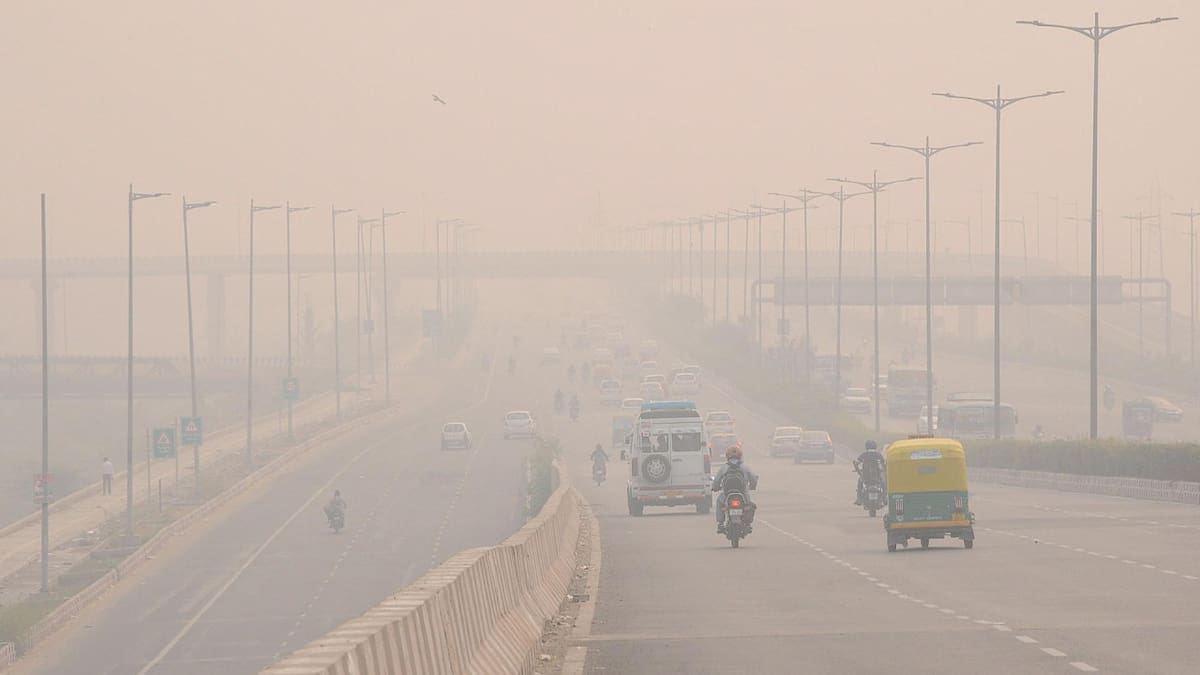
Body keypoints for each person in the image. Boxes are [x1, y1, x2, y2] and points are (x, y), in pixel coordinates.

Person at [712, 446, 758, 534]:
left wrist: (715, 487)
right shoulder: (745, 466)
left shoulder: (724, 467)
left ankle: (720, 524)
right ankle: (748, 524)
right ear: (740, 456)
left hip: (727, 494)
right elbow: (753, 478)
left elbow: (717, 481)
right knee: (749, 505)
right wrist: (752, 486)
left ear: (727, 456)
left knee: (719, 502)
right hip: (743, 493)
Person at [853, 440, 886, 505]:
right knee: (884, 483)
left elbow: (856, 463)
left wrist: (859, 472)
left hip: (866, 477)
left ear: (866, 446)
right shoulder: (878, 454)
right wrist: (884, 470)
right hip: (877, 477)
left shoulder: (864, 454)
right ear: (875, 446)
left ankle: (859, 498)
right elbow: (884, 464)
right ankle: (885, 498)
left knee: (860, 482)